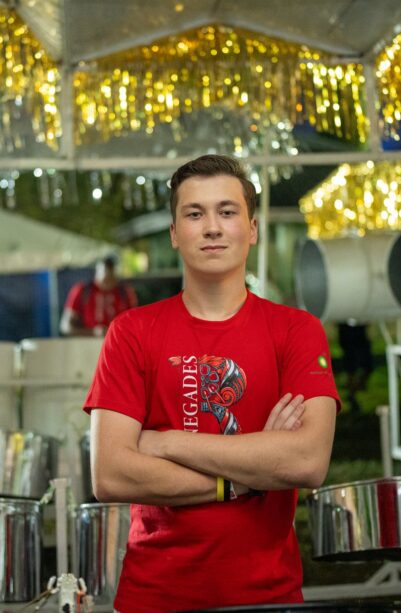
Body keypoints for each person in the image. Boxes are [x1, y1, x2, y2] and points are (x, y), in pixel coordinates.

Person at [83, 154, 340, 612]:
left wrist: (165, 442)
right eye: (195, 214)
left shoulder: (296, 331)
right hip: (154, 597)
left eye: (227, 211)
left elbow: (306, 461)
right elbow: (110, 474)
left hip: (268, 597)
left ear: (252, 228)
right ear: (174, 234)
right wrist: (248, 477)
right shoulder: (132, 332)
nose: (213, 228)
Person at [60, 255, 137, 337]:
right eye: (105, 279)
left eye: (111, 279)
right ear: (96, 274)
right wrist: (92, 332)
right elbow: (65, 327)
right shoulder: (82, 291)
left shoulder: (125, 292)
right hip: (87, 342)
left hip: (118, 341)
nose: (108, 284)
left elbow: (135, 324)